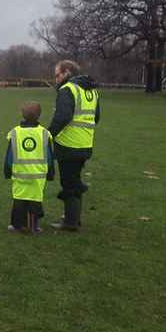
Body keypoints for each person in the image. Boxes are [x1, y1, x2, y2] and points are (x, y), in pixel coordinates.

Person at [48, 60, 100, 231]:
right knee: (75, 180)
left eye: (57, 75)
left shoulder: (67, 90)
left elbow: (63, 117)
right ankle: (73, 218)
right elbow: (96, 117)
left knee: (69, 183)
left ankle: (70, 222)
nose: (56, 79)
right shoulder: (91, 91)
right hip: (85, 144)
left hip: (69, 144)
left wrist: (49, 135)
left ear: (67, 72)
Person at [3, 101, 55, 234]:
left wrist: (7, 170)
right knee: (35, 201)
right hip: (38, 175)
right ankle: (33, 227)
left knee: (19, 200)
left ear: (22, 115)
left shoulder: (15, 133)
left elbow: (10, 155)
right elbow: (49, 156)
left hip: (20, 173)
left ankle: (17, 225)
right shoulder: (44, 133)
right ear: (39, 116)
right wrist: (51, 172)